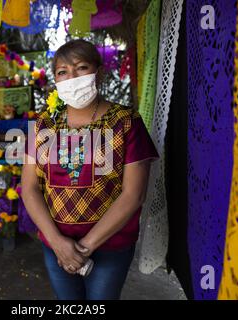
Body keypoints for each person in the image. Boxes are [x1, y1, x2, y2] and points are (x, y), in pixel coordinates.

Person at [21, 39, 159, 300]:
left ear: (99, 72)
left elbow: (133, 195)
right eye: (62, 72)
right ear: (55, 79)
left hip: (110, 245)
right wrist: (59, 244)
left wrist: (83, 249)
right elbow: (28, 188)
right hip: (55, 244)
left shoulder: (126, 122)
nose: (71, 77)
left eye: (81, 68)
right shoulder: (43, 125)